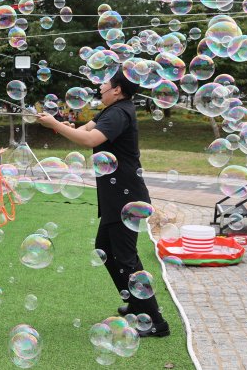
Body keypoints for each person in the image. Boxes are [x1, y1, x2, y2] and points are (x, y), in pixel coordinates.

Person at [36, 71, 170, 338]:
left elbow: (89, 140)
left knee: (125, 256)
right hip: (117, 195)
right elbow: (82, 130)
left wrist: (55, 123)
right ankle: (135, 303)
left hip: (125, 197)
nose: (101, 86)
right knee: (105, 248)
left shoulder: (119, 113)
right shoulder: (112, 111)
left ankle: (155, 321)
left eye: (106, 83)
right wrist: (54, 122)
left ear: (117, 90)